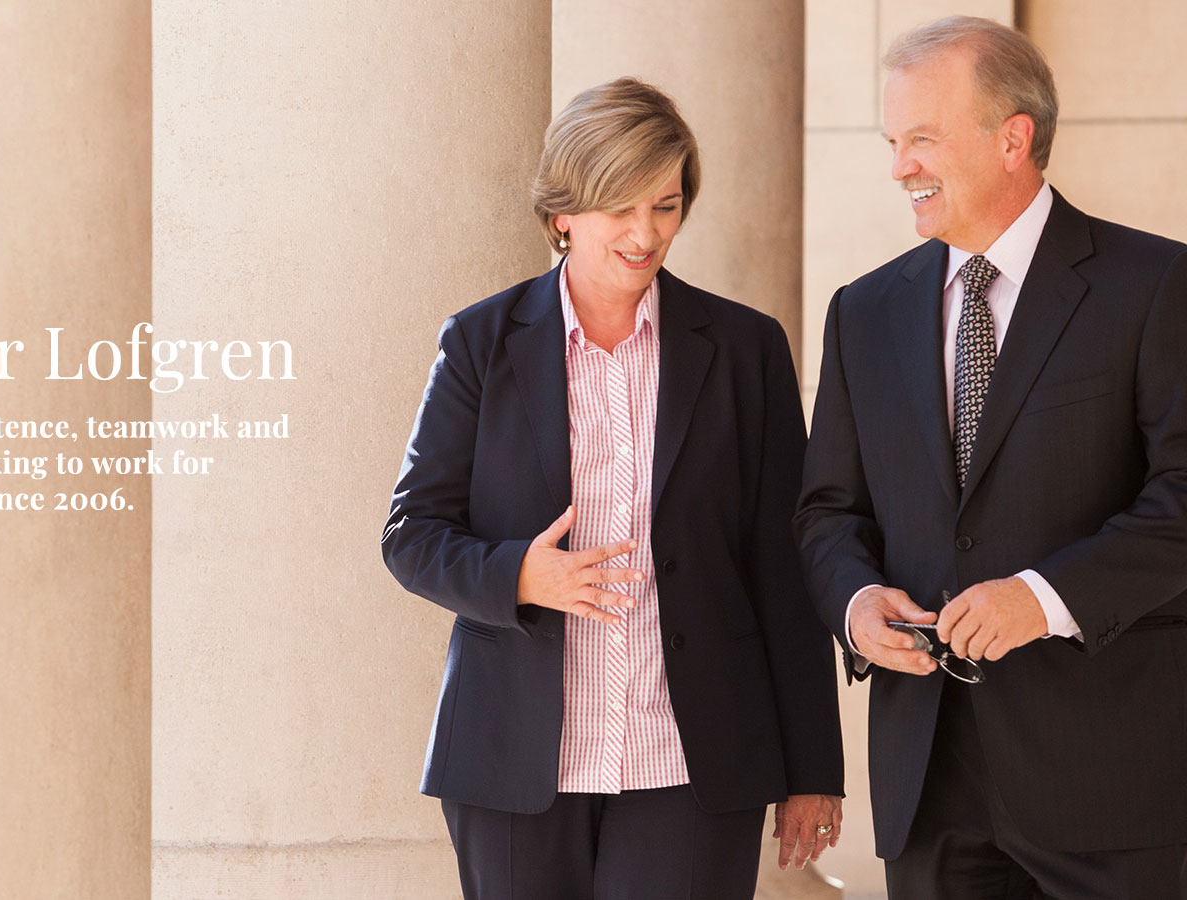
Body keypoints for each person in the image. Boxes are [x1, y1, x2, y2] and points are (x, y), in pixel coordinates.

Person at [381, 76, 843, 900]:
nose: (645, 233)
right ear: (563, 213)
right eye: (620, 208)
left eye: (665, 206)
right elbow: (412, 533)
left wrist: (813, 766)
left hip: (691, 761)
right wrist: (522, 574)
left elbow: (784, 564)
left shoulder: (744, 349)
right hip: (517, 761)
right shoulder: (480, 343)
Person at [796, 16, 1187, 899]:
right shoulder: (863, 311)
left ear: (1013, 138)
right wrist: (857, 606)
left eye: (922, 139)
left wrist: (1041, 600)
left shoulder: (1156, 286)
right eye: (895, 143)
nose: (900, 166)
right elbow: (826, 511)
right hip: (929, 779)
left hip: (1107, 780)